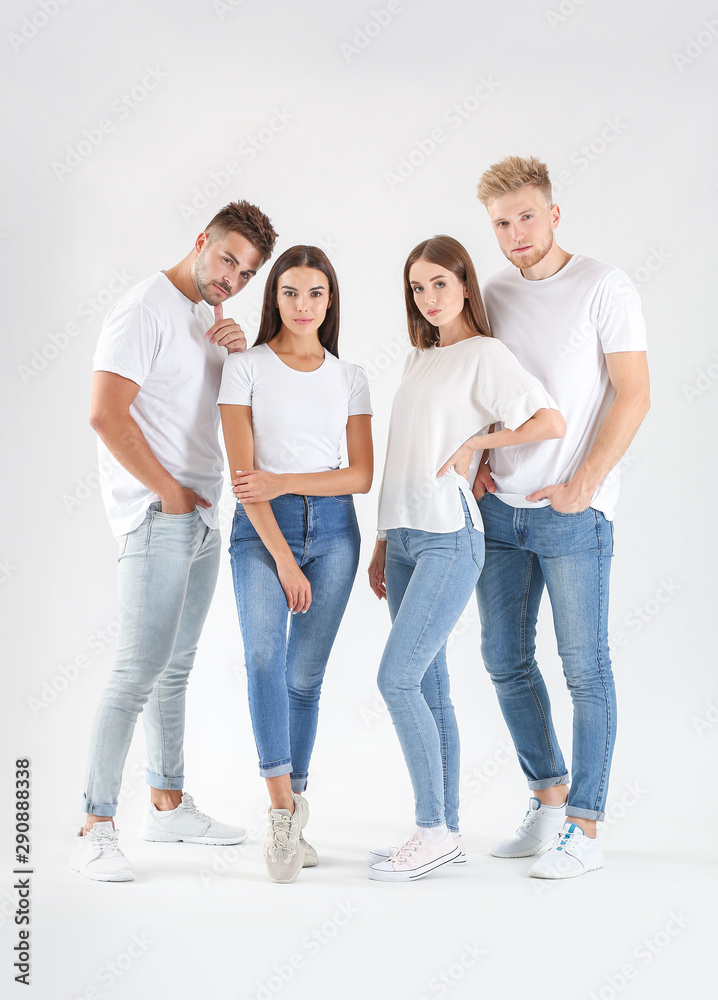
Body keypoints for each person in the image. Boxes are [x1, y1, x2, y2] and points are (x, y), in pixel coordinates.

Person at [70, 200, 278, 882]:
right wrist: (166, 492)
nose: (232, 280)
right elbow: (105, 412)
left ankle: (166, 802)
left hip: (202, 517)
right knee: (135, 672)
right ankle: (96, 823)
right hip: (158, 515)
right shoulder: (143, 308)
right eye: (226, 260)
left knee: (175, 669)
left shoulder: (202, 319)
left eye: (246, 274)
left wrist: (235, 360)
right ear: (200, 241)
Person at [366, 235, 565, 882]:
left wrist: (478, 442)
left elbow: (548, 421)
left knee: (395, 679)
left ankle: (430, 830)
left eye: (439, 285)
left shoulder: (485, 354)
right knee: (427, 685)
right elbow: (400, 455)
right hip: (404, 538)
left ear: (465, 287)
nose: (427, 299)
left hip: (452, 536)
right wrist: (381, 542)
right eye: (417, 288)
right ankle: (442, 828)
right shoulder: (417, 359)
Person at [473, 155, 650, 878]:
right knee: (504, 661)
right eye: (500, 223)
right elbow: (482, 383)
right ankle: (548, 799)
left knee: (584, 668)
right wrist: (479, 452)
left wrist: (584, 482)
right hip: (499, 513)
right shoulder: (493, 292)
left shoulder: (604, 284)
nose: (515, 233)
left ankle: (586, 826)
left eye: (525, 216)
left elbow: (634, 392)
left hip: (574, 514)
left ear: (553, 213)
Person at [218, 245, 373, 884]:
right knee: (264, 660)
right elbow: (244, 481)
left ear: (330, 300)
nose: (303, 305)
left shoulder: (351, 376)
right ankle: (281, 812)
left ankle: (296, 807)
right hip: (262, 536)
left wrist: (286, 479)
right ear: (273, 298)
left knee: (305, 678)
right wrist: (283, 558)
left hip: (336, 534)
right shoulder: (245, 367)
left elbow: (360, 477)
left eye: (315, 293)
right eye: (290, 292)